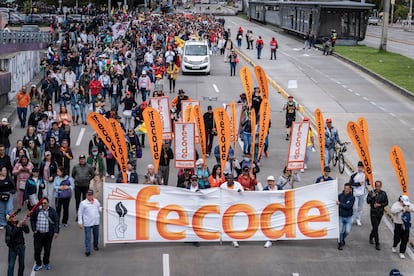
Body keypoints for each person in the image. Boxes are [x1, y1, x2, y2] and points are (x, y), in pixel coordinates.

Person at [30, 197, 59, 271]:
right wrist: (34, 229)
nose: (43, 205)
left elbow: (56, 221)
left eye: (45, 203)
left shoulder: (52, 211)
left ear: (48, 203)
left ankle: (46, 263)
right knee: (37, 250)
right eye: (42, 203)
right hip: (38, 234)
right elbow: (32, 220)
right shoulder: (37, 210)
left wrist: (56, 231)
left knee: (47, 250)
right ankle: (38, 264)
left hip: (48, 234)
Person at [220, 174, 244, 248]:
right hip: (226, 207)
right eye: (228, 178)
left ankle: (234, 239)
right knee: (225, 223)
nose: (229, 180)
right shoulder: (223, 186)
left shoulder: (238, 185)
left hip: (235, 207)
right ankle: (223, 237)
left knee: (234, 224)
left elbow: (243, 194)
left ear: (233, 179)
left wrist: (240, 192)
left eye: (231, 178)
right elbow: (219, 195)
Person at [5, 211, 30, 276]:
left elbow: (27, 231)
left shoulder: (18, 223)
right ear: (9, 219)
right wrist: (18, 226)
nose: (15, 217)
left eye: (15, 215)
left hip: (21, 247)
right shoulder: (8, 226)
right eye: (13, 216)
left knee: (22, 265)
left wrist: (25, 224)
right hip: (13, 248)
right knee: (11, 265)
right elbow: (12, 234)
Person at [78, 189, 101, 257]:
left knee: (96, 235)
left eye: (91, 195)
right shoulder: (83, 203)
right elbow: (80, 213)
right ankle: (88, 250)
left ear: (93, 195)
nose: (90, 196)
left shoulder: (96, 201)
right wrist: (80, 222)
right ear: (86, 195)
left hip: (96, 222)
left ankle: (95, 245)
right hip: (87, 222)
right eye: (88, 195)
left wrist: (103, 209)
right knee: (88, 237)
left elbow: (99, 208)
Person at [366, 180, 388, 250]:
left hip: (380, 213)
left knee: (376, 227)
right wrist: (372, 197)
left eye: (379, 186)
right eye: (377, 186)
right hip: (373, 213)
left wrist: (380, 205)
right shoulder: (371, 192)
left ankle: (371, 235)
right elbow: (368, 201)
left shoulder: (383, 193)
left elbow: (386, 202)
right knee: (375, 228)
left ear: (381, 186)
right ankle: (377, 243)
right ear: (375, 186)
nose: (378, 188)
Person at [350, 161, 369, 226]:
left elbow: (368, 184)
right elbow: (351, 184)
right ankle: (352, 218)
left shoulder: (365, 174)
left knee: (360, 207)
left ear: (363, 168)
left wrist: (367, 179)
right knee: (355, 207)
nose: (360, 168)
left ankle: (358, 219)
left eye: (361, 167)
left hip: (362, 193)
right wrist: (358, 184)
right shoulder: (354, 174)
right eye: (359, 167)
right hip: (355, 193)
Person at [336, 183, 355, 250]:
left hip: (349, 217)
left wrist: (340, 204)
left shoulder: (352, 197)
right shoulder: (340, 196)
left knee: (347, 231)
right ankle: (340, 243)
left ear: (350, 189)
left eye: (348, 189)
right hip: (341, 216)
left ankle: (342, 238)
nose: (346, 190)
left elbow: (348, 206)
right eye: (345, 188)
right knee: (340, 231)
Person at [263, 175, 280, 248]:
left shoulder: (279, 188)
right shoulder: (265, 189)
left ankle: (277, 236)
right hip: (269, 209)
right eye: (268, 181)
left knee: (278, 223)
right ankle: (269, 240)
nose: (269, 183)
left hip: (278, 208)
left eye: (271, 181)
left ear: (274, 182)